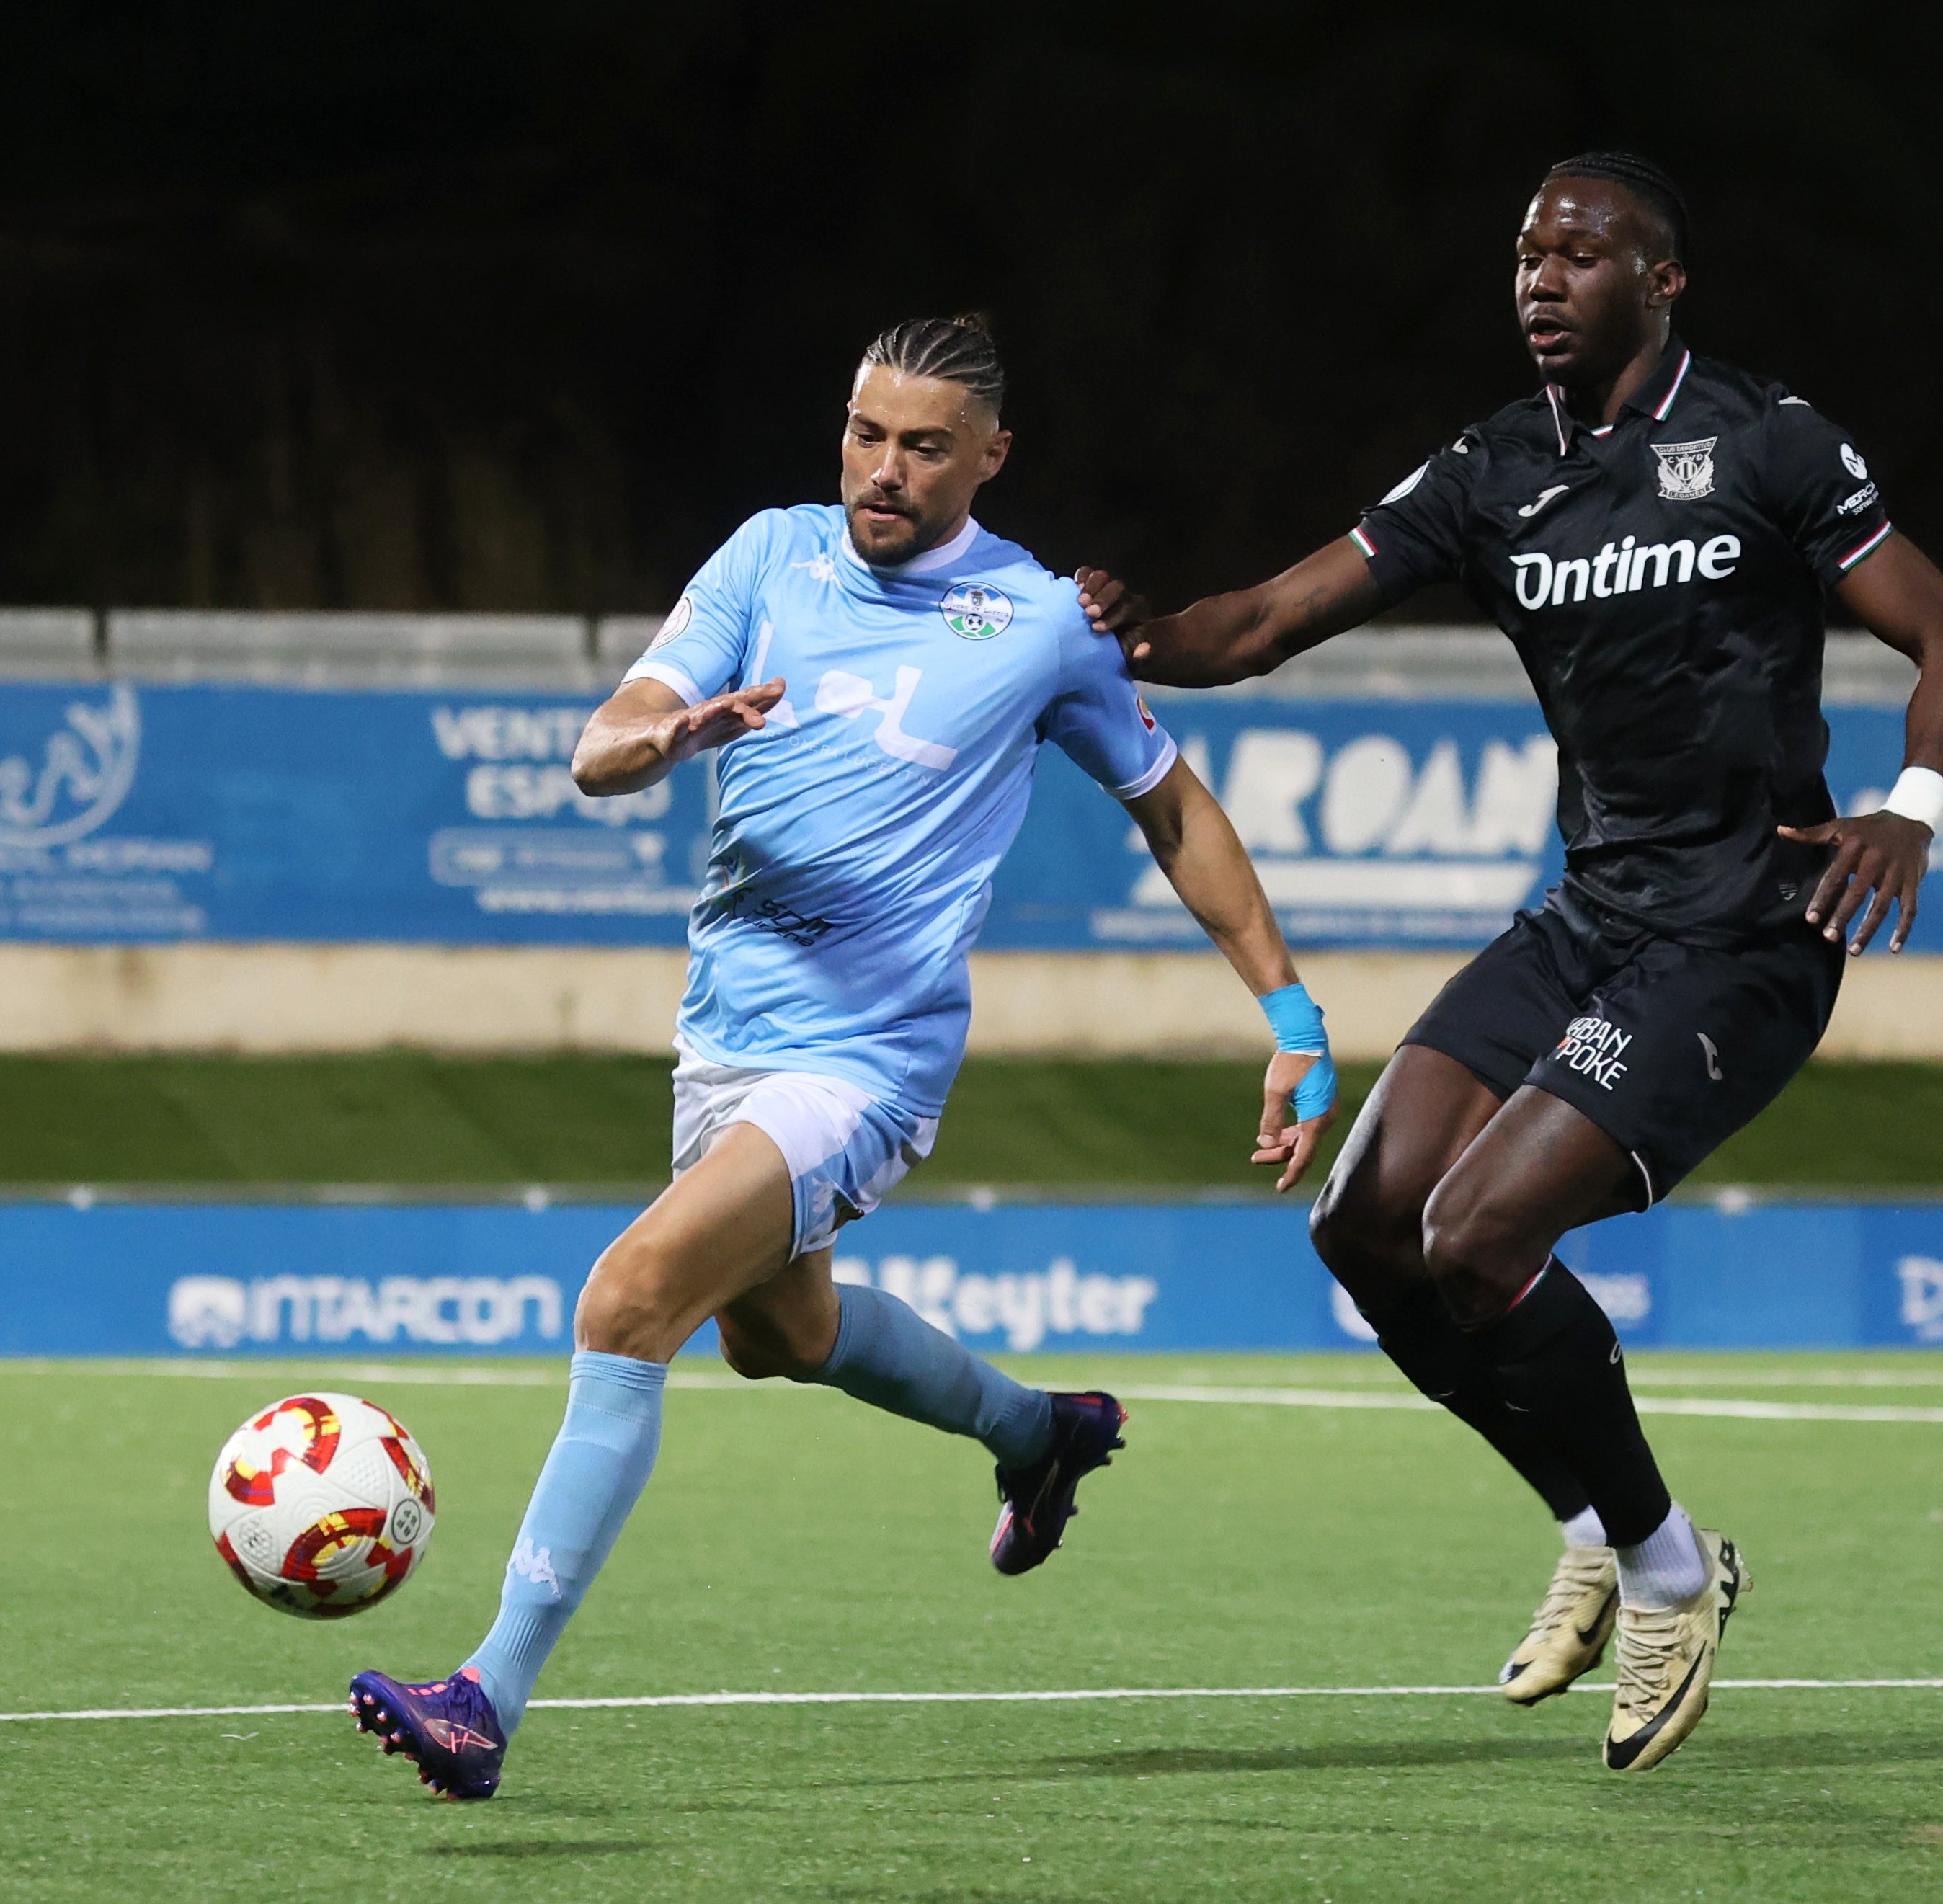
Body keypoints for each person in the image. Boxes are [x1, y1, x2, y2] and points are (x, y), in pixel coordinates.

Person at [1074, 153, 1943, 1771]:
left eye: (1580, 252)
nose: (1540, 278)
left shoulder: (1772, 439)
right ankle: (1593, 1513)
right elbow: (1271, 619)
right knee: (1368, 1228)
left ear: (1664, 278)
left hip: (1744, 934)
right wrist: (1107, 632)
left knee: (1479, 1228)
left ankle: (1663, 1569)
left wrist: (1912, 809)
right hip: (1589, 919)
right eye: (1524, 254)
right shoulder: (1497, 471)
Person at [352, 312, 1340, 1800]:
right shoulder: (770, 557)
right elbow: (603, 741)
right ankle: (1039, 1432)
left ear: (991, 458)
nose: (884, 470)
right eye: (866, 435)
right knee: (779, 1335)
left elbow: (1175, 809)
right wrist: (676, 733)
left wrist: (1292, 1014)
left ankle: (487, 1692)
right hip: (727, 1035)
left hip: (869, 1060)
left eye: (925, 446)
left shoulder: (1041, 625)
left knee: (631, 1296)